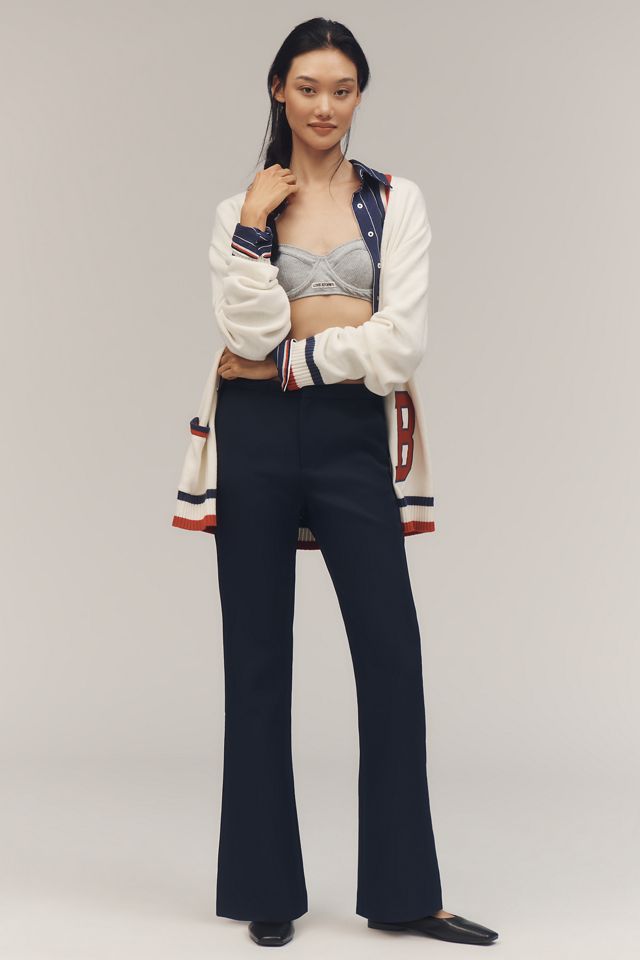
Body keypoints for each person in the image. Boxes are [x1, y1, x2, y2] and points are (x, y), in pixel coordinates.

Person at [173, 16, 499, 949]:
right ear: (279, 89)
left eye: (342, 90)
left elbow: (399, 346)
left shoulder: (397, 201)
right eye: (308, 87)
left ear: (360, 97)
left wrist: (289, 364)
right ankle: (265, 887)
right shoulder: (240, 209)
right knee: (256, 660)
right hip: (256, 438)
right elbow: (245, 331)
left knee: (391, 655)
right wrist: (252, 226)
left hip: (352, 434)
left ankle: (404, 892)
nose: (325, 106)